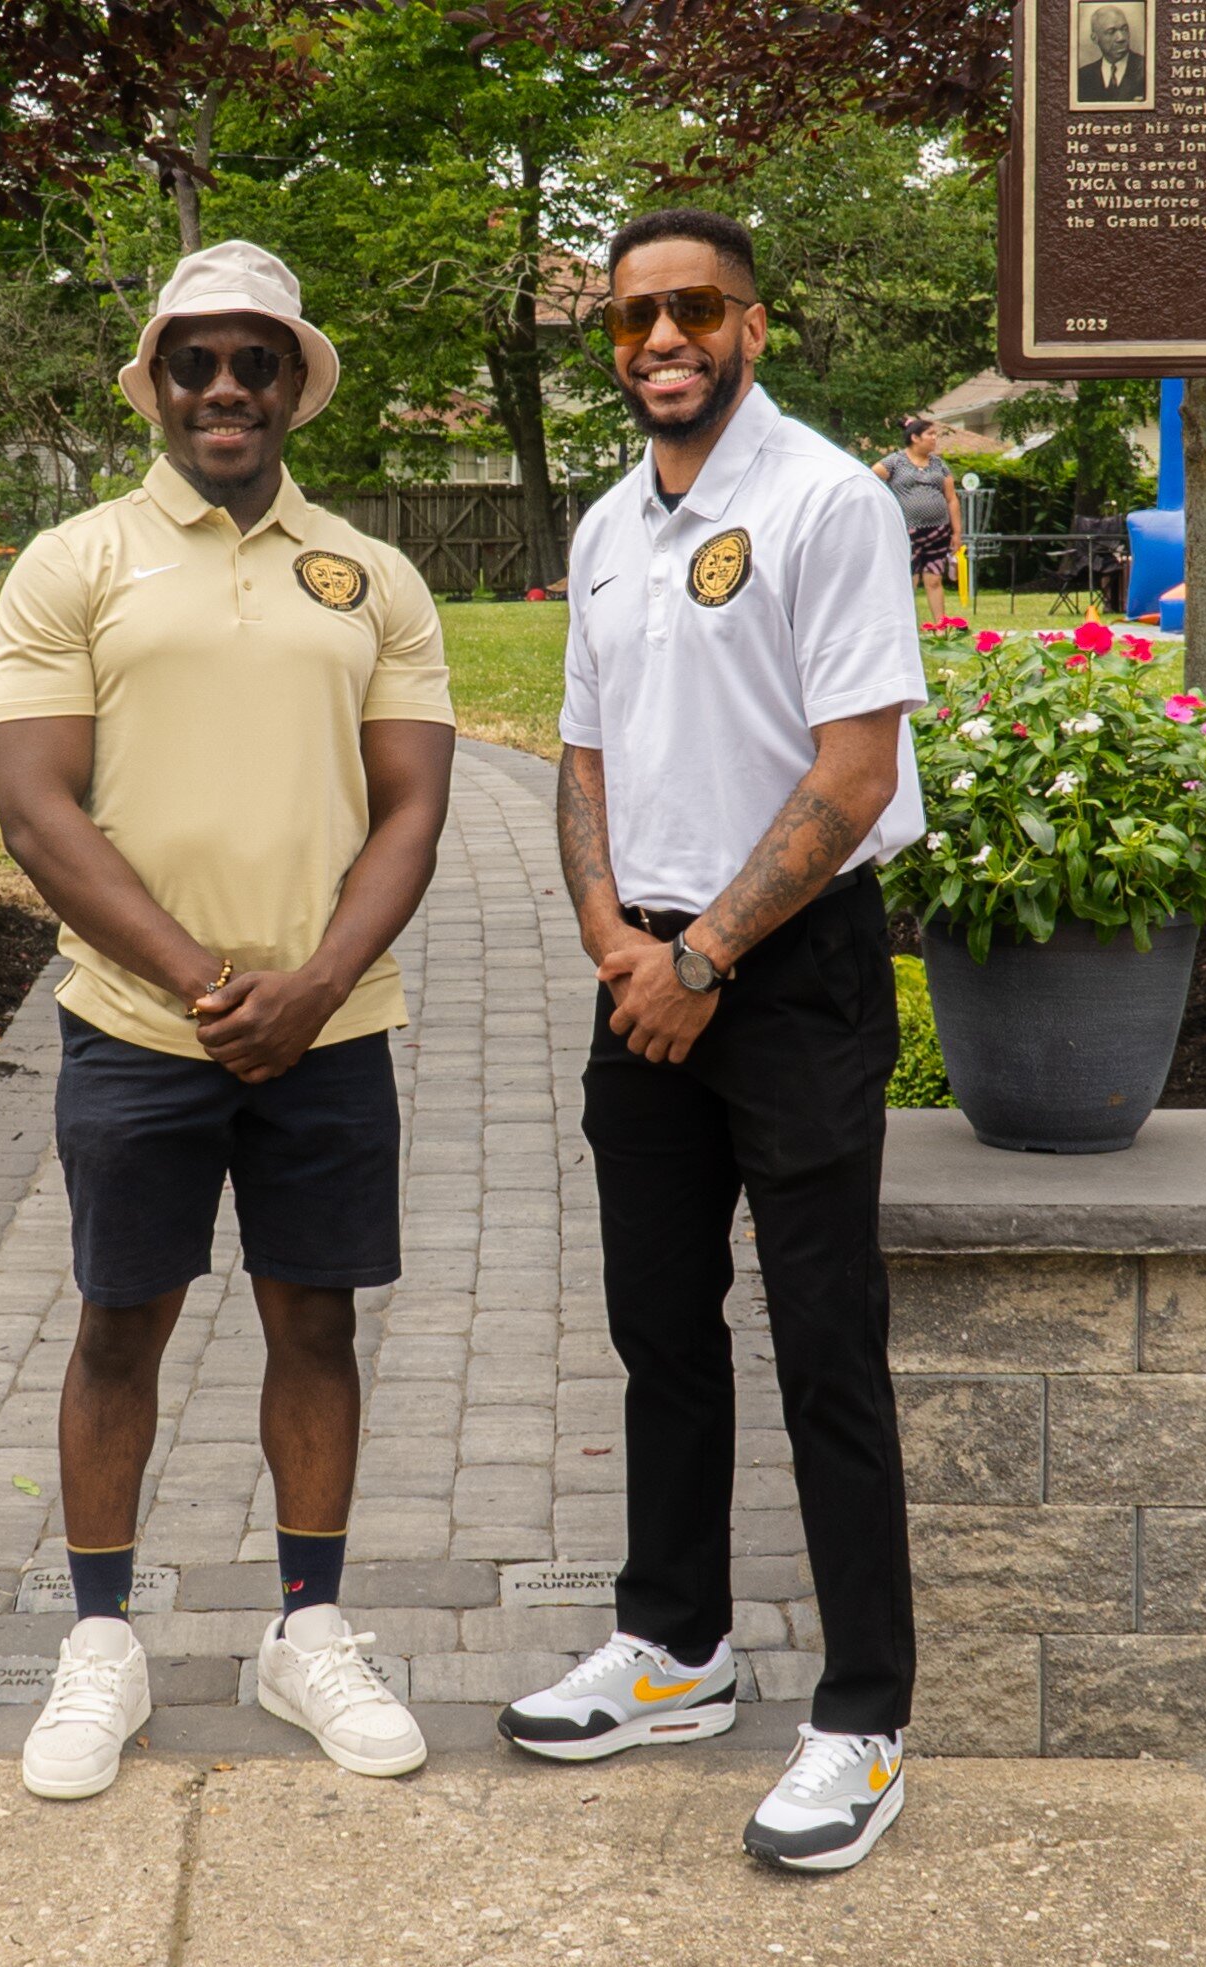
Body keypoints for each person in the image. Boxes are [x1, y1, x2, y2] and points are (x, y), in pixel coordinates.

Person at [0, 239, 455, 1803]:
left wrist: (311, 984)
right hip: (135, 1021)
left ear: (294, 382)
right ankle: (102, 1641)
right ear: (158, 382)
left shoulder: (373, 577)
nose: (226, 387)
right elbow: (38, 812)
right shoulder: (76, 562)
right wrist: (199, 979)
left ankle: (305, 1631)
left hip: (331, 1025)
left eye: (256, 360)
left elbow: (413, 811)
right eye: (198, 360)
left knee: (313, 1319)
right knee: (122, 1322)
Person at [498, 206, 925, 1874]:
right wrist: (619, 944)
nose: (660, 340)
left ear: (754, 320)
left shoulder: (824, 500)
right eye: (631, 318)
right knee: (658, 1325)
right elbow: (581, 756)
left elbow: (856, 772)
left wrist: (707, 953)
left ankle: (865, 1717)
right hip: (646, 972)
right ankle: (675, 1644)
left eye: (691, 309)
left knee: (827, 1344)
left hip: (791, 967)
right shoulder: (610, 524)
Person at [875, 414, 963, 628]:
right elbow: (870, 480)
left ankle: (942, 627)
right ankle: (904, 626)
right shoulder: (895, 461)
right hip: (907, 532)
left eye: (935, 434)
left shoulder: (939, 465)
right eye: (930, 434)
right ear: (915, 438)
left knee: (934, 579)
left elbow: (951, 498)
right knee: (909, 580)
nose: (934, 438)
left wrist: (956, 532)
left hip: (938, 531)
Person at [1073, 3, 1150, 104]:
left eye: (1124, 29)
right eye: (1111, 32)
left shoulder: (1147, 68)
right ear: (1095, 38)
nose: (1121, 38)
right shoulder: (1082, 77)